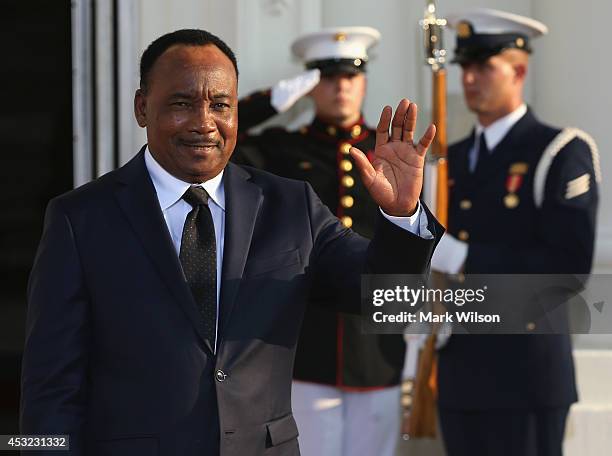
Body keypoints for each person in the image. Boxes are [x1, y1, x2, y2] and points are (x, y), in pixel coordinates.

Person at [20, 29, 442, 456]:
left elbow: (388, 298)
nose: (205, 123)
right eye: (182, 104)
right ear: (142, 107)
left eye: (220, 105)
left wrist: (402, 217)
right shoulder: (80, 218)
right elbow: (49, 385)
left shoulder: (291, 205)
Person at [430, 9, 600, 456]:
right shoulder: (453, 159)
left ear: (519, 70)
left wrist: (466, 259)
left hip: (524, 377)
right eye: (465, 66)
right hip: (460, 373)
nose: (470, 78)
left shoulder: (559, 151)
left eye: (484, 66)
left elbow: (567, 269)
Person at [232, 27, 406, 456]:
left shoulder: (395, 154)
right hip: (306, 340)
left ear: (365, 82)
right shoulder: (282, 149)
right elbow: (222, 140)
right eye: (327, 77)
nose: (341, 86)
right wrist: (268, 103)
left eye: (351, 76)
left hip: (378, 339)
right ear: (310, 87)